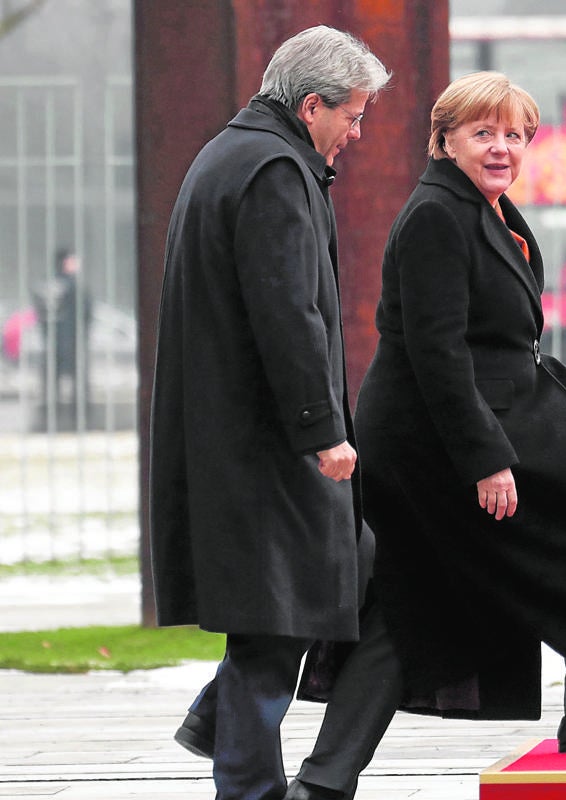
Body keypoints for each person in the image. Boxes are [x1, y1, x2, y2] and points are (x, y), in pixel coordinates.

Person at [283, 71, 566, 799]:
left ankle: (330, 780)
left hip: (480, 416)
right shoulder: (437, 214)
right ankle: (328, 779)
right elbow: (436, 350)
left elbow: (495, 335)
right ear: (446, 140)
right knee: (439, 591)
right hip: (433, 444)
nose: (501, 148)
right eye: (483, 133)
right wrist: (485, 460)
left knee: (520, 558)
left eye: (515, 135)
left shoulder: (486, 210)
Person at [148, 25, 389, 800]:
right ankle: (249, 785)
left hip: (235, 436)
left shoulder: (236, 152)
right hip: (265, 444)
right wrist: (323, 430)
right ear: (311, 105)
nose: (356, 133)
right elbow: (289, 314)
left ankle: (215, 725)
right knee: (275, 620)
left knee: (306, 592)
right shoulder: (276, 171)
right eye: (351, 116)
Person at [33, 248, 92, 411]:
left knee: (53, 378)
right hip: (71, 340)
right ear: (65, 263)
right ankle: (78, 410)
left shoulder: (48, 285)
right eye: (73, 260)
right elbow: (85, 313)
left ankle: (53, 408)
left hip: (54, 341)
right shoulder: (72, 286)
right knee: (77, 380)